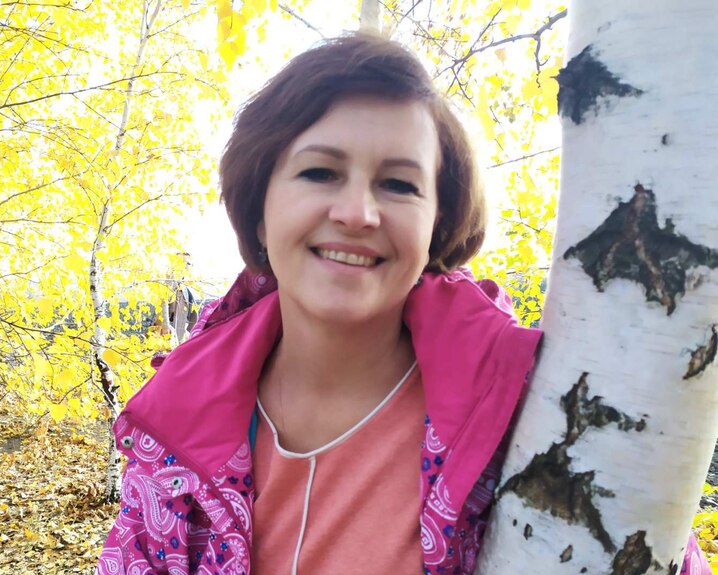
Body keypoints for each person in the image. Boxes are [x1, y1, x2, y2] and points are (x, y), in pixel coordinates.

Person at [96, 33, 710, 575]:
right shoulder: (178, 422)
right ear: (260, 204)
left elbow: (642, 546)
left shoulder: (525, 402)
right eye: (319, 173)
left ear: (437, 224)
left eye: (398, 184)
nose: (358, 213)